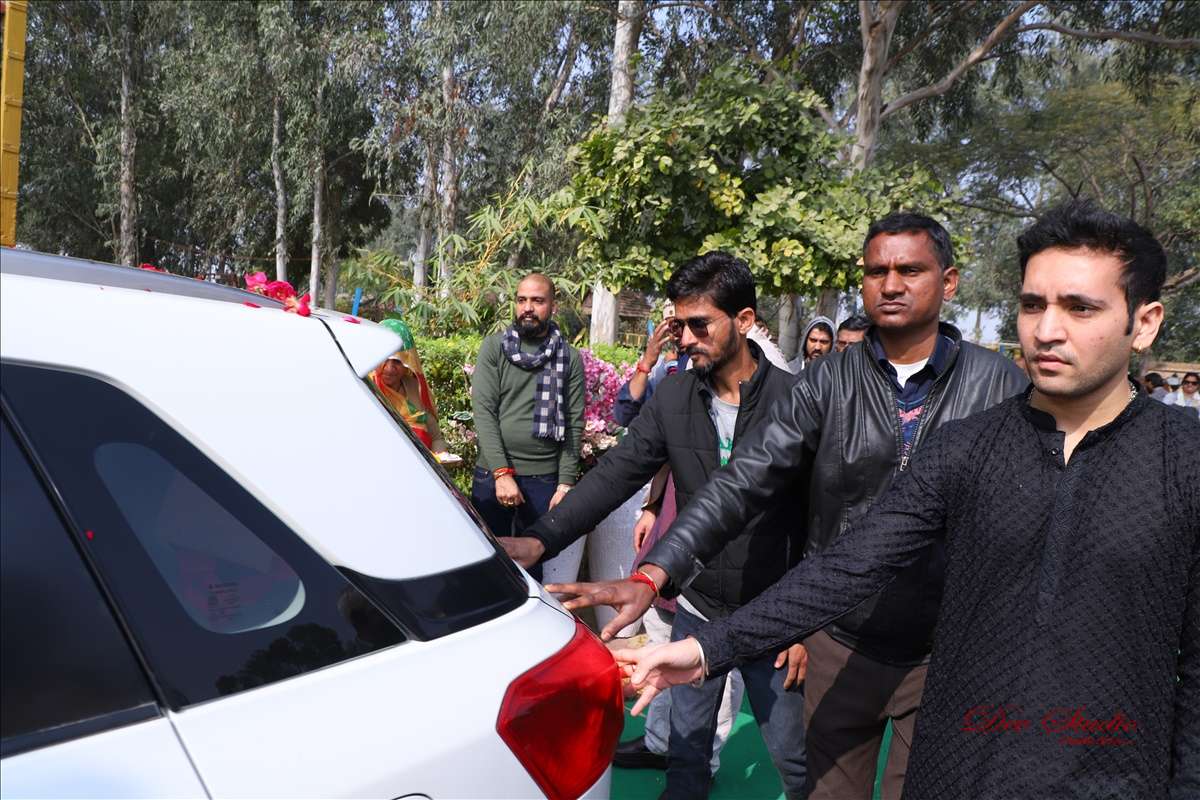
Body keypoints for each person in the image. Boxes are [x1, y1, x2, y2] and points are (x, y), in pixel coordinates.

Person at [606, 201, 1199, 799]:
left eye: (1080, 308)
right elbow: (849, 564)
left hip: (1112, 771)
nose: (1047, 330)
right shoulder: (969, 446)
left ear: (1145, 322)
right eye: (1031, 306)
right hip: (961, 750)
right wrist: (706, 647)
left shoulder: (1184, 462)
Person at [549, 211, 1028, 799]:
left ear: (948, 281)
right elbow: (737, 484)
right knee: (791, 779)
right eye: (876, 271)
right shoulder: (825, 382)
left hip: (934, 647)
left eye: (910, 270)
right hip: (829, 634)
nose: (891, 285)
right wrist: (652, 573)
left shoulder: (1000, 386)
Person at [501, 252, 809, 800]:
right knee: (685, 754)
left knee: (796, 760)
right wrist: (540, 539)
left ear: (743, 321)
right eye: (678, 324)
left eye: (700, 325)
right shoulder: (674, 396)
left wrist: (809, 624)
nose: (685, 339)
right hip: (697, 607)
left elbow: (823, 519)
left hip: (775, 616)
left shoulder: (797, 402)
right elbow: (615, 474)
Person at [470, 273, 584, 582]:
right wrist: (501, 473)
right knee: (484, 562)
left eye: (537, 300)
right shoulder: (494, 347)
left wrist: (565, 483)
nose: (528, 308)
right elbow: (484, 412)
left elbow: (574, 422)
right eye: (521, 300)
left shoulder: (569, 358)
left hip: (544, 480)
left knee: (531, 570)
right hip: (492, 475)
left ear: (553, 306)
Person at [369, 318, 449, 454]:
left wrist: (440, 457)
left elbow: (436, 438)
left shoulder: (416, 389)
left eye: (397, 362)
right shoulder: (366, 387)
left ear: (408, 363)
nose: (389, 368)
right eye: (384, 359)